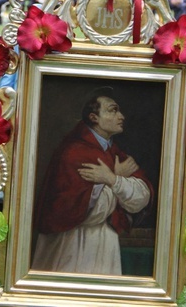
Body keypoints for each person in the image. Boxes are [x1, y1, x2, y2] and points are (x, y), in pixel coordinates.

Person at [32, 89, 152, 275]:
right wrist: (116, 180)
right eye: (113, 110)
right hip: (73, 245)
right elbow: (89, 213)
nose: (121, 116)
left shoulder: (114, 152)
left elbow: (141, 198)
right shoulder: (73, 152)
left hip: (105, 243)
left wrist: (111, 179)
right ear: (94, 117)